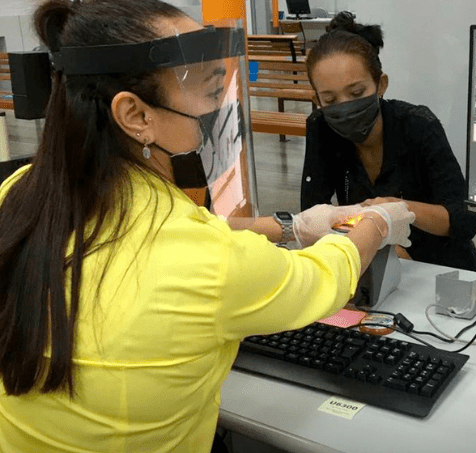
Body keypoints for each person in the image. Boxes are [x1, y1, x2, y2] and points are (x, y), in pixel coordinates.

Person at [0, 1, 415, 452]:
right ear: (136, 116)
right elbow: (323, 278)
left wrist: (290, 226)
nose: (217, 104)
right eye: (204, 86)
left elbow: (188, 231)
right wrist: (375, 222)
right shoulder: (206, 263)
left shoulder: (21, 193)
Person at [301, 12, 476, 272]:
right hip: (373, 268)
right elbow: (312, 217)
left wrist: (400, 210)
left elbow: (464, 221)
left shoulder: (418, 126)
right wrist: (376, 248)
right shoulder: (322, 128)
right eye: (330, 100)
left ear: (381, 85)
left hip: (441, 268)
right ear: (317, 100)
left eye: (356, 93)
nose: (345, 107)